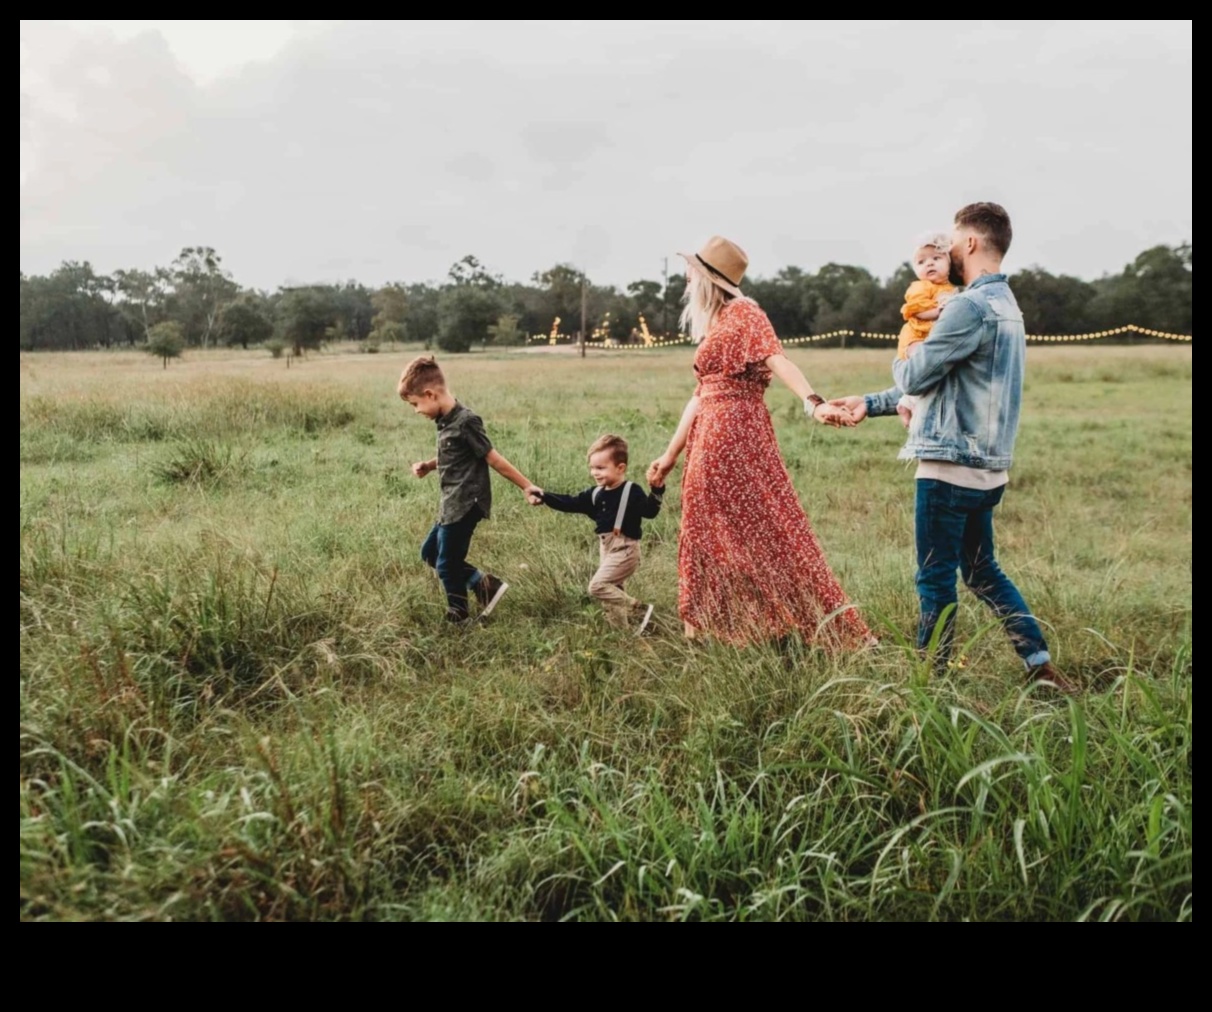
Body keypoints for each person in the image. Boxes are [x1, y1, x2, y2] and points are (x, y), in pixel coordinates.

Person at [830, 203, 1079, 695]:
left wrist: (905, 347)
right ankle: (1039, 664)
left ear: (969, 243)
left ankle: (930, 683)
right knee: (983, 571)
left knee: (934, 578)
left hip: (948, 467)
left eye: (951, 242)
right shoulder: (1007, 306)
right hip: (987, 469)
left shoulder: (966, 306)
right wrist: (870, 403)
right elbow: (949, 384)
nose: (945, 252)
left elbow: (917, 375)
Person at [646, 235, 874, 649]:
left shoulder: (745, 313)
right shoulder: (716, 323)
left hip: (733, 433)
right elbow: (700, 395)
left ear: (708, 278)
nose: (685, 278)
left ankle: (783, 622)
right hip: (710, 432)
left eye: (691, 271)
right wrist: (669, 455)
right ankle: (714, 629)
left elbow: (777, 358)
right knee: (707, 529)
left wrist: (813, 403)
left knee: (763, 528)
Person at [398, 355, 536, 624]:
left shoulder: (466, 421)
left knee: (446, 564)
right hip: (450, 503)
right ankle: (484, 585)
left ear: (430, 394)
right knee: (430, 553)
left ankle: (458, 616)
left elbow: (493, 458)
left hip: (466, 504)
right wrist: (428, 465)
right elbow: (455, 455)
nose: (416, 410)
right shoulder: (446, 422)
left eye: (415, 404)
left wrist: (527, 486)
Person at [528, 433, 664, 634]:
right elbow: (570, 502)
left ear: (621, 468)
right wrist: (544, 496)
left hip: (626, 549)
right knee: (612, 594)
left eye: (600, 468)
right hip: (606, 548)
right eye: (592, 468)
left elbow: (650, 512)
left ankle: (639, 609)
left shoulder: (631, 491)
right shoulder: (596, 494)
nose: (594, 473)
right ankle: (622, 635)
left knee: (598, 586)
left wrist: (657, 490)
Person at [895, 232, 957, 428]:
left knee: (934, 371)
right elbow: (917, 310)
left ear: (948, 264)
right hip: (916, 336)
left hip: (930, 336)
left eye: (936, 259)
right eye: (922, 262)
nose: (929, 264)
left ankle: (907, 402)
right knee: (924, 364)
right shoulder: (920, 287)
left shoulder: (951, 288)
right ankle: (909, 404)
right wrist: (939, 311)